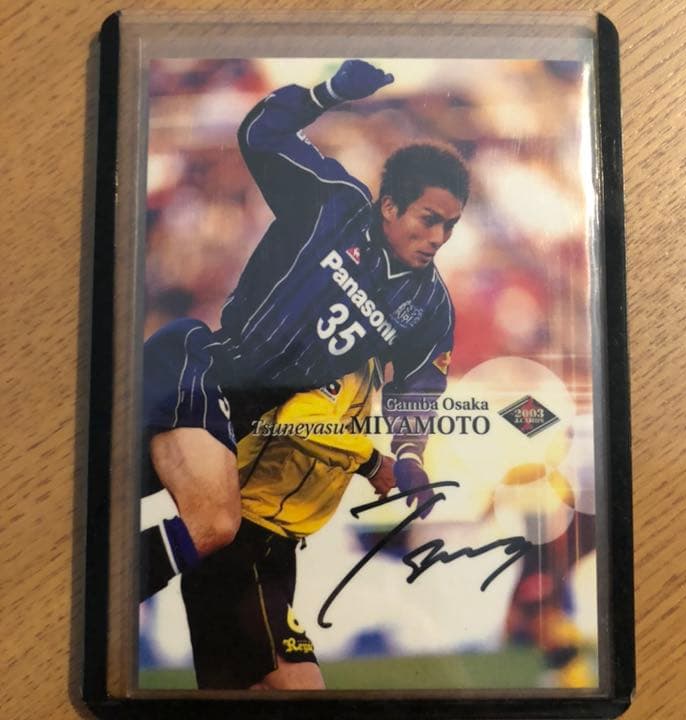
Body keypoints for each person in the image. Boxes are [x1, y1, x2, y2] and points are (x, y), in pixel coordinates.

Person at [139, 59, 470, 606]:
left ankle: (91, 591)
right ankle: (99, 593)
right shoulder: (333, 203)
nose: (439, 237)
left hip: (243, 419)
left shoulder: (429, 306)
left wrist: (410, 455)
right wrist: (327, 92)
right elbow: (259, 134)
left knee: (141, 506)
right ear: (389, 206)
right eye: (428, 219)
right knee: (212, 522)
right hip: (201, 371)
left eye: (450, 226)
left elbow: (419, 387)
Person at [182, 360, 393, 689]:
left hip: (260, 546)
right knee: (303, 692)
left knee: (238, 696)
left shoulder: (362, 372)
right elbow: (297, 419)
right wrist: (373, 463)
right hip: (245, 543)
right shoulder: (345, 361)